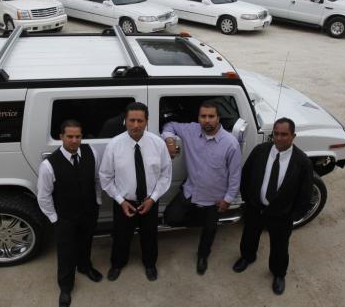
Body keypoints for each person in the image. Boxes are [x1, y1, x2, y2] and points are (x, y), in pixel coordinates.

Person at [232, 117, 313, 295]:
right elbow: (245, 176)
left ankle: (278, 273)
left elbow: (305, 194)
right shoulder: (260, 151)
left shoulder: (302, 162)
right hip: (256, 208)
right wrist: (249, 200)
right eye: (276, 134)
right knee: (249, 235)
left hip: (281, 215)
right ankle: (247, 257)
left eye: (284, 134)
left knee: (280, 246)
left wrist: (292, 215)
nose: (279, 138)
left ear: (293, 136)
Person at [162, 100, 242, 275]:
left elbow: (235, 175)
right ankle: (200, 217)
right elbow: (170, 125)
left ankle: (203, 256)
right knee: (170, 218)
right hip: (190, 190)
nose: (207, 120)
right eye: (203, 116)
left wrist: (228, 199)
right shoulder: (190, 130)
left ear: (218, 118)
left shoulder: (230, 144)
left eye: (211, 116)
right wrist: (168, 139)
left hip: (214, 198)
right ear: (198, 118)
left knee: (209, 231)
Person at [99, 102, 172, 281]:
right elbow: (105, 176)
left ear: (147, 121)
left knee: (150, 236)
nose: (136, 125)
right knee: (121, 237)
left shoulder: (158, 144)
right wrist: (120, 201)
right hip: (124, 203)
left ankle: (150, 264)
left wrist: (153, 199)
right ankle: (117, 264)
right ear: (125, 121)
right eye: (132, 120)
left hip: (150, 201)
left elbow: (165, 175)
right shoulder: (114, 145)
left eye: (140, 120)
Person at [37, 119, 103, 307]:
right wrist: (55, 219)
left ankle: (85, 266)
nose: (74, 140)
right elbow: (44, 196)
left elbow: (97, 179)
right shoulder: (49, 165)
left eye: (78, 136)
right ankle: (65, 287)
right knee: (66, 252)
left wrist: (97, 201)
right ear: (61, 137)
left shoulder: (91, 153)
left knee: (86, 242)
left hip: (89, 211)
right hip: (65, 217)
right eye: (70, 136)